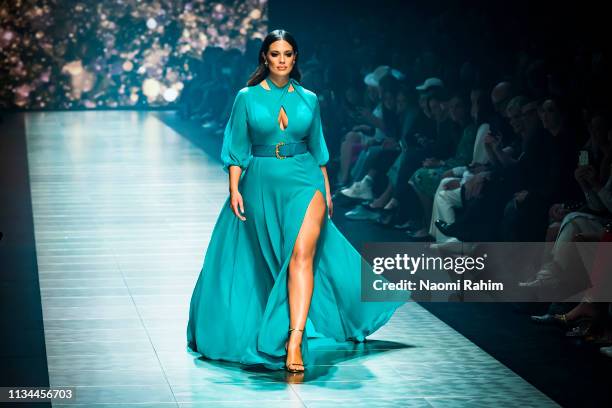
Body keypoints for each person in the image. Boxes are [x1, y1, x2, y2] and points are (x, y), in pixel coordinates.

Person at [186, 30, 404, 373]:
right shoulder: (247, 97)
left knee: (301, 257)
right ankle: (278, 329)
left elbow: (318, 148)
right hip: (260, 180)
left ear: (295, 58)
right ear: (265, 58)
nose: (282, 59)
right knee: (269, 260)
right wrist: (234, 188)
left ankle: (294, 340)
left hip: (306, 181)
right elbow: (237, 146)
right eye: (275, 53)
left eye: (288, 53)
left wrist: (327, 190)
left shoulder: (309, 99)